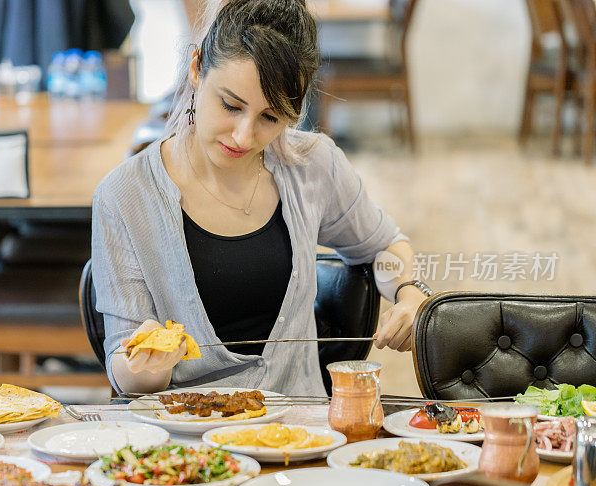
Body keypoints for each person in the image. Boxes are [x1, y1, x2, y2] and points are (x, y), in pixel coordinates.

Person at [91, 0, 428, 395]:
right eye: (230, 105)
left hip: (300, 439)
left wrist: (409, 292)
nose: (243, 137)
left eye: (270, 118)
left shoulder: (312, 166)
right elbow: (123, 366)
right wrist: (146, 368)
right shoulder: (125, 195)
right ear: (197, 69)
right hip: (184, 444)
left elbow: (384, 245)